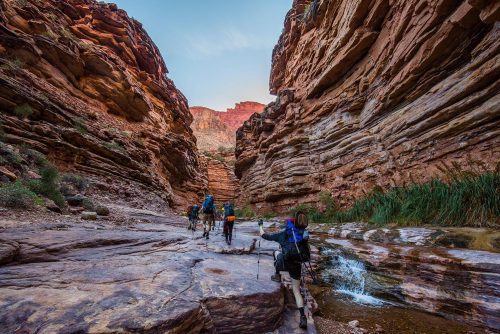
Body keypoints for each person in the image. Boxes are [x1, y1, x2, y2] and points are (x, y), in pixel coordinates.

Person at [259, 212, 310, 329]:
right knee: (296, 290)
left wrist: (260, 226)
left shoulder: (284, 234)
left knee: (276, 253)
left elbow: (265, 236)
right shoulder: (303, 234)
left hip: (284, 263)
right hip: (296, 265)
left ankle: (277, 275)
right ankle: (303, 317)